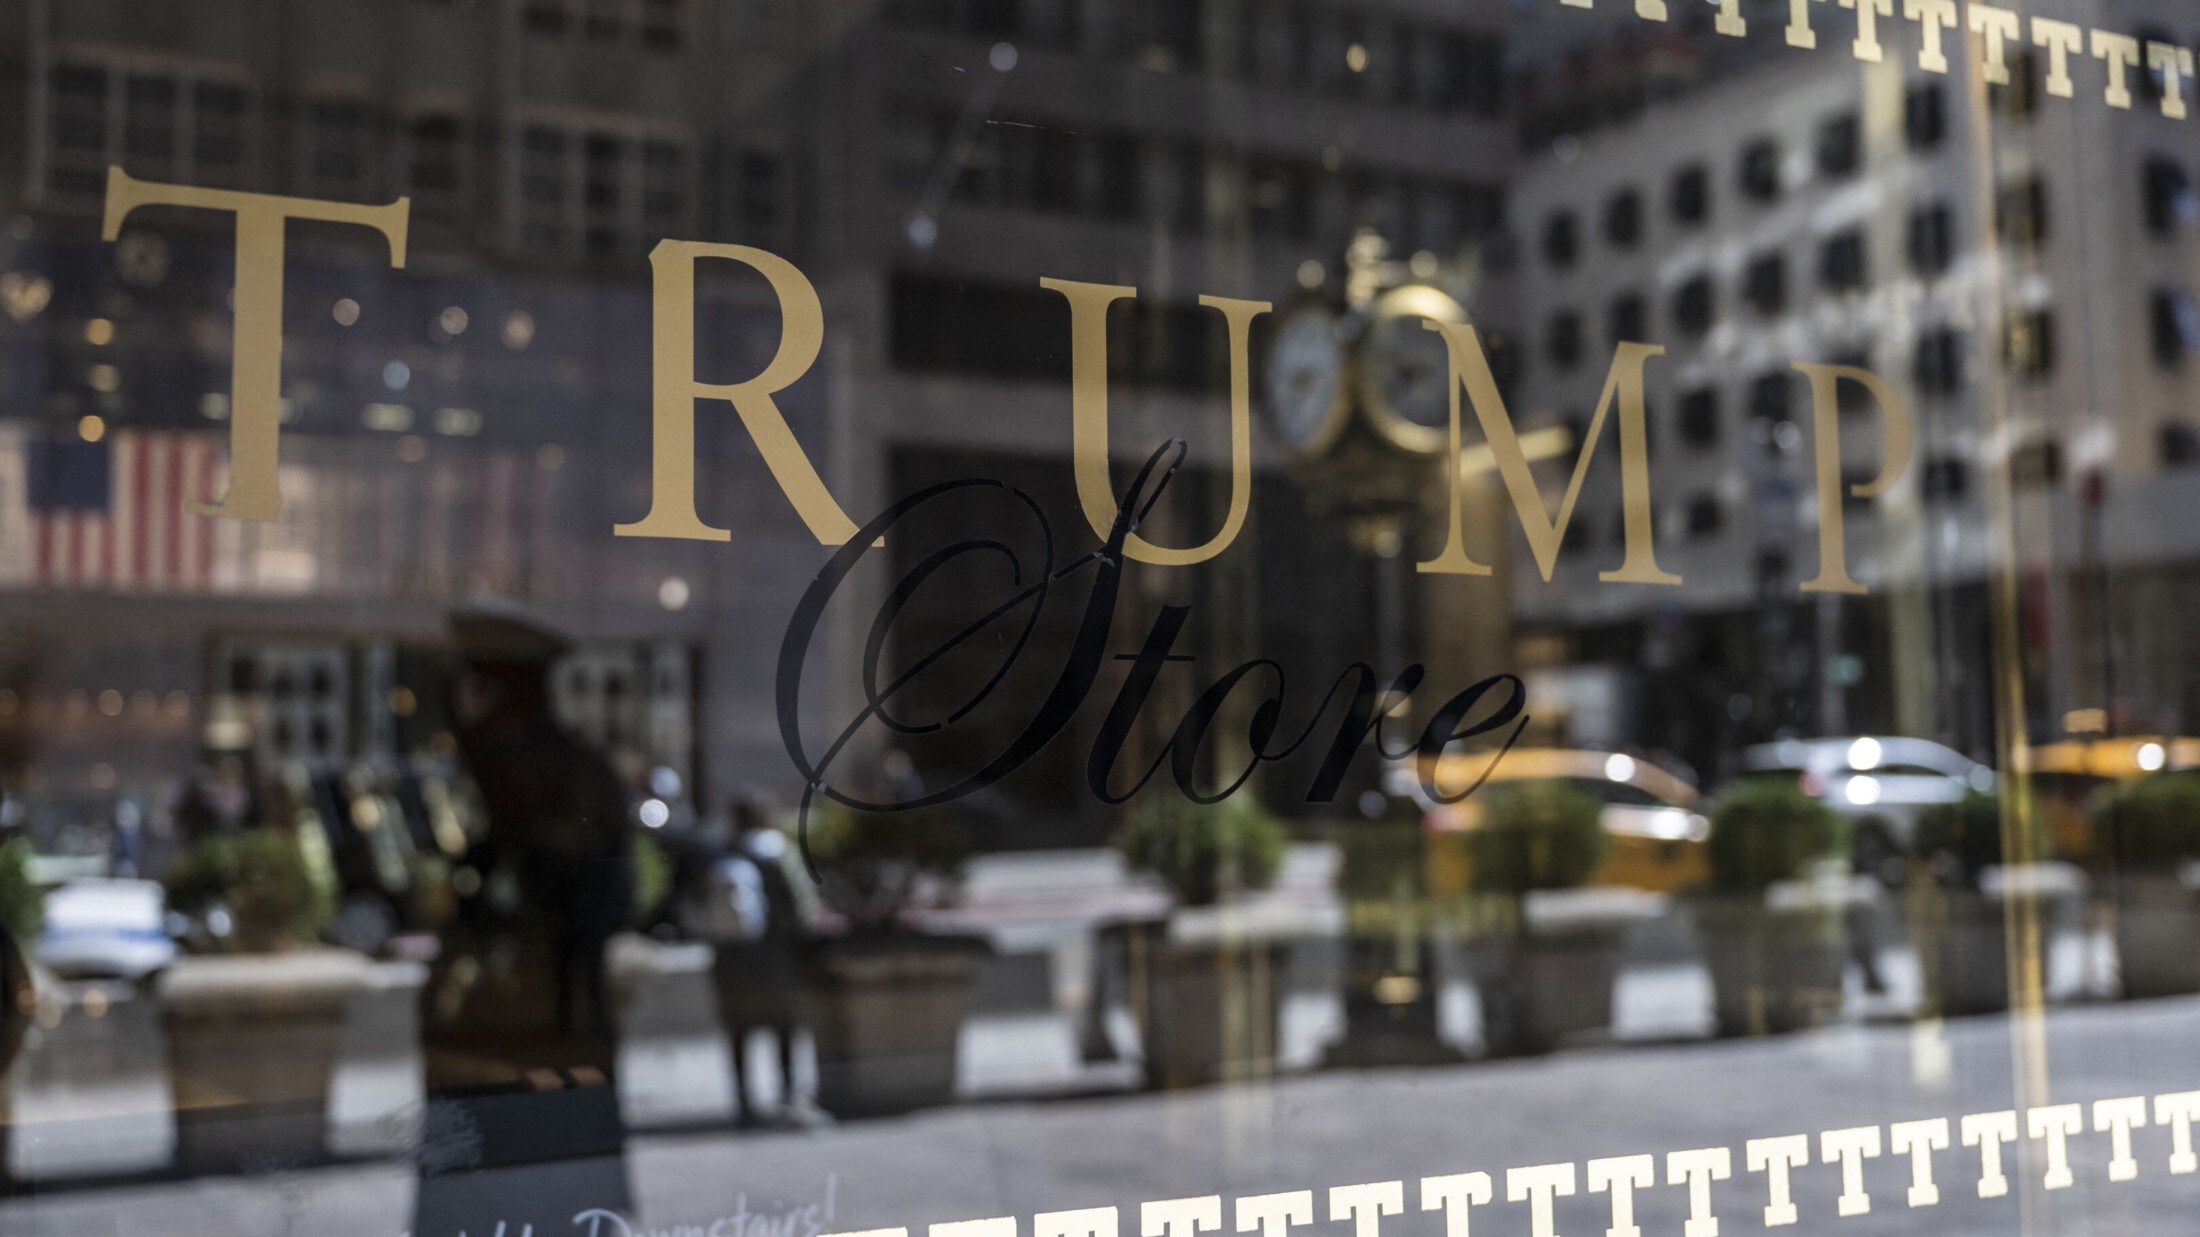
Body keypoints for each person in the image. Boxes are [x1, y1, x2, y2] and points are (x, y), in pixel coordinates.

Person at [412, 601, 636, 1236]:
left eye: (472, 684)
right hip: (514, 1031)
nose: (460, 704)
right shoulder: (502, 767)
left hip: (535, 1027)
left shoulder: (544, 771)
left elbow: (596, 899)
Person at [703, 797, 809, 1127]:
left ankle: (743, 1101)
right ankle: (788, 1094)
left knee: (738, 1031)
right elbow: (800, 909)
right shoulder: (779, 854)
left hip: (730, 961)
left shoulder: (721, 854)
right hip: (774, 958)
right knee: (784, 1027)